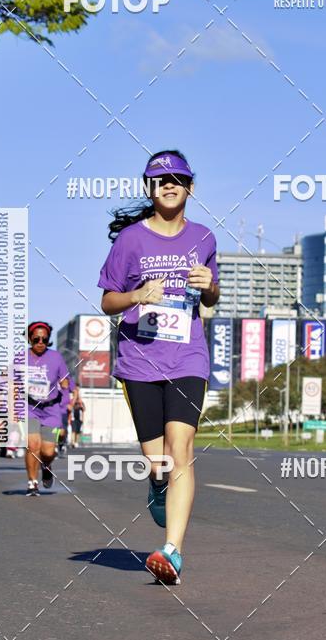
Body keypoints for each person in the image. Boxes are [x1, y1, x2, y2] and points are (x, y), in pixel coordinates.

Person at [98, 149, 219, 584]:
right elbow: (108, 299)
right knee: (159, 461)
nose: (169, 184)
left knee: (181, 449)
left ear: (190, 187)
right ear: (149, 187)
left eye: (178, 178)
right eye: (160, 179)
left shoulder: (204, 238)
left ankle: (172, 551)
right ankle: (156, 484)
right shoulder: (130, 239)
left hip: (188, 357)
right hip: (140, 361)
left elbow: (209, 299)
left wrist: (211, 288)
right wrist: (136, 296)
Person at [25, 321, 69, 495]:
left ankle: (47, 465)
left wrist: (65, 408)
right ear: (30, 339)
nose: (40, 342)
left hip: (51, 410)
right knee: (32, 444)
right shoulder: (21, 357)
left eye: (44, 339)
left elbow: (65, 383)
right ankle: (32, 482)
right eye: (36, 339)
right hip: (29, 407)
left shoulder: (56, 357)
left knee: (48, 451)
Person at [57, 375, 76, 455]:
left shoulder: (67, 378)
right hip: (52, 409)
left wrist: (71, 404)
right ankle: (54, 446)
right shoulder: (51, 376)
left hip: (63, 410)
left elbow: (75, 391)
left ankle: (61, 443)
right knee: (53, 430)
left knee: (62, 431)